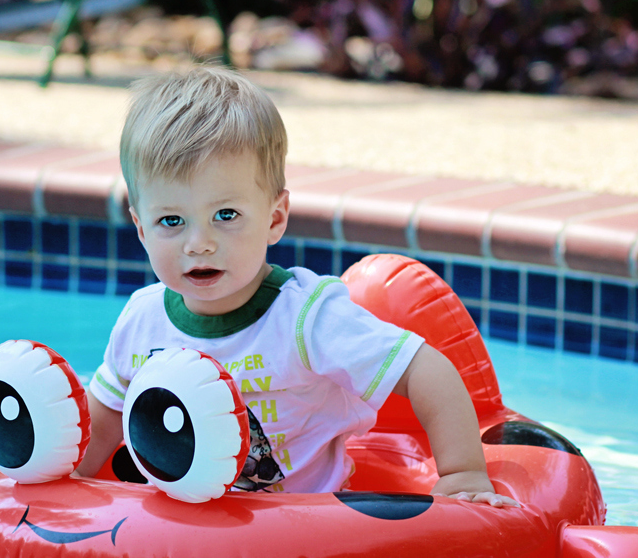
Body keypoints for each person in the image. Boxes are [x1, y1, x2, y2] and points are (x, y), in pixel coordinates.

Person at [75, 66, 517, 506]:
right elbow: (106, 416)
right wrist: (69, 481)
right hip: (177, 529)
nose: (199, 244)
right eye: (171, 221)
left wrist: (462, 474)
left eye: (226, 215)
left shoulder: (307, 318)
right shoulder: (142, 319)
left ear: (274, 218)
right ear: (140, 227)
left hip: (297, 529)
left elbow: (426, 370)